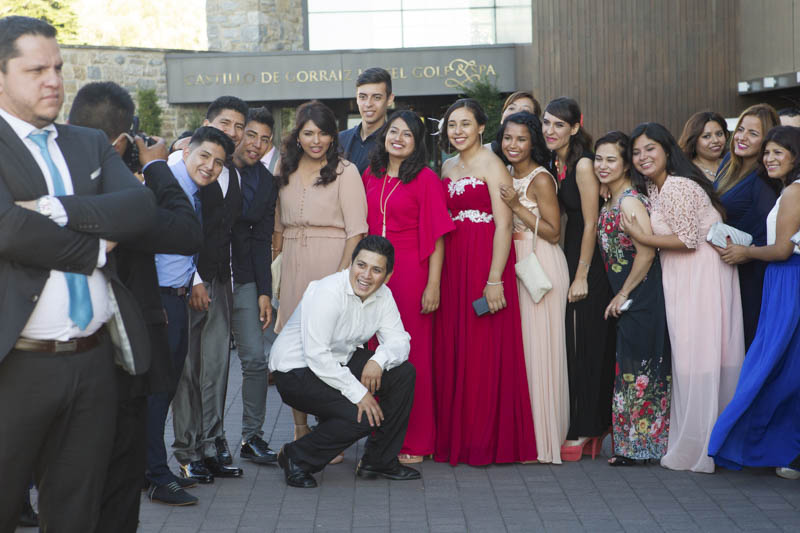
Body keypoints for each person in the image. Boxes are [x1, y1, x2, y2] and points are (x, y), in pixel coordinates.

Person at [0, 16, 157, 532]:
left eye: (59, 68)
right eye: (36, 70)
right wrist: (95, 249)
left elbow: (140, 209)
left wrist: (53, 208)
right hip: (14, 367)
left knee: (77, 515)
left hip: (92, 363)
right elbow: (8, 230)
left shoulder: (87, 143)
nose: (54, 81)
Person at [68, 81, 203, 516]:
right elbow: (187, 232)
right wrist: (158, 166)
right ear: (122, 140)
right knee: (118, 481)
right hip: (122, 350)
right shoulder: (124, 196)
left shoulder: (50, 180)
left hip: (59, 355)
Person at [621, 122, 744, 473]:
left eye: (650, 149)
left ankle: (705, 443)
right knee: (694, 356)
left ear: (667, 150)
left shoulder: (677, 185)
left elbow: (688, 240)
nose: (643, 157)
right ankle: (704, 438)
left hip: (699, 274)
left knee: (700, 355)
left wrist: (640, 236)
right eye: (636, 152)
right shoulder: (656, 186)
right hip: (683, 274)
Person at [433, 98, 537, 465]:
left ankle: (484, 440)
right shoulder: (446, 166)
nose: (457, 131)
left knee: (482, 349)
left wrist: (494, 280)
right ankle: (455, 438)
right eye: (452, 125)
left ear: (480, 127)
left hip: (484, 261)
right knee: (455, 346)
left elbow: (504, 225)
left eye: (465, 124)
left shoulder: (494, 164)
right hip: (452, 262)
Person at [270, 236, 418, 488]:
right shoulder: (327, 291)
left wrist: (378, 360)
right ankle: (296, 457)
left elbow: (400, 341)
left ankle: (378, 461)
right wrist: (359, 393)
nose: (366, 275)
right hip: (295, 371)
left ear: (388, 276)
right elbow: (317, 355)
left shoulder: (384, 296)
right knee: (362, 415)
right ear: (351, 263)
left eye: (376, 270)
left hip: (338, 362)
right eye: (361, 265)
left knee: (403, 373)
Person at [144, 127, 234, 502]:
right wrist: (154, 304)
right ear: (186, 152)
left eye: (219, 162)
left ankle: (150, 468)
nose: (210, 166)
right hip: (159, 300)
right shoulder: (165, 186)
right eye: (204, 156)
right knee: (158, 390)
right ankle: (155, 474)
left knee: (163, 389)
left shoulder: (193, 190)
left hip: (177, 297)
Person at [273, 100, 368, 451]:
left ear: (332, 136)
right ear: (297, 136)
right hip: (293, 262)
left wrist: (340, 280)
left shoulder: (346, 172)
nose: (316, 141)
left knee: (327, 346)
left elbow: (356, 232)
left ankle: (327, 431)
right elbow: (276, 227)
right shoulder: (283, 167)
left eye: (323, 133)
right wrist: (275, 274)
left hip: (330, 264)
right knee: (293, 350)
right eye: (308, 133)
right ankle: (300, 429)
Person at [363, 110, 455, 464]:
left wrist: (433, 284)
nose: (398, 138)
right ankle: (380, 436)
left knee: (412, 357)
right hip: (373, 275)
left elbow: (437, 236)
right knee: (376, 352)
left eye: (407, 134)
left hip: (411, 274)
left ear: (417, 144)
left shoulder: (426, 179)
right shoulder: (370, 174)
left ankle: (416, 440)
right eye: (393, 131)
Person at [709, 125, 800, 479]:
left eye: (779, 152)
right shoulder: (789, 190)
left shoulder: (793, 192)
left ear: (795, 156)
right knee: (783, 363)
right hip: (784, 278)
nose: (769, 158)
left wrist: (746, 252)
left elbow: (782, 250)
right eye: (768, 152)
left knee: (771, 363)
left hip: (788, 278)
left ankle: (746, 443)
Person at [172, 96, 247, 480]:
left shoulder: (233, 172)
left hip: (220, 281)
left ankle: (212, 443)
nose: (232, 132)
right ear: (206, 123)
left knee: (216, 369)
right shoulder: (183, 164)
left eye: (239, 126)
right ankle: (187, 451)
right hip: (187, 283)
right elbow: (178, 229)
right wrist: (195, 280)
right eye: (224, 123)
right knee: (187, 370)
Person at [542, 97, 615, 460]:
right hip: (569, 253)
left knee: (587, 343)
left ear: (574, 127)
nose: (550, 130)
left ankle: (588, 427)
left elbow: (591, 223)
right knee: (575, 345)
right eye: (546, 123)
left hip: (590, 261)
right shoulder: (554, 161)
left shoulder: (584, 164)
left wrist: (582, 275)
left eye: (558, 124)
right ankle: (591, 424)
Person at [594, 131, 671, 466]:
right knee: (630, 367)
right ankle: (631, 446)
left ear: (626, 164)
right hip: (628, 295)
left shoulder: (629, 201)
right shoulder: (612, 198)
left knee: (640, 370)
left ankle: (640, 449)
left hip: (642, 295)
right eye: (599, 159)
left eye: (611, 159)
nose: (602, 165)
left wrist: (624, 293)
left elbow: (647, 253)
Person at [496, 111, 569, 464]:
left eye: (521, 139)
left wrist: (515, 206)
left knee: (540, 350)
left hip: (540, 262)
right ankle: (525, 434)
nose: (513, 145)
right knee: (522, 351)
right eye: (508, 138)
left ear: (533, 142)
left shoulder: (541, 178)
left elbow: (554, 232)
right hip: (514, 261)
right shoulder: (505, 172)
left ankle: (543, 439)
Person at [230, 107, 279, 465]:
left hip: (246, 278)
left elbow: (263, 239)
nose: (256, 144)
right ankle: (208, 440)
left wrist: (265, 291)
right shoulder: (214, 167)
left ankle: (252, 437)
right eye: (251, 135)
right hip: (209, 278)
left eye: (264, 139)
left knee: (256, 360)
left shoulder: (266, 182)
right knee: (208, 367)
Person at [715, 104, 779, 349]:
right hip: (724, 266)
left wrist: (746, 253)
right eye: (740, 129)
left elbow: (770, 234)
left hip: (752, 272)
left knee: (747, 338)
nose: (742, 137)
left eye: (753, 133)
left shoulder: (764, 178)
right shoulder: (728, 164)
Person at [339, 67, 395, 175]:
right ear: (357, 98)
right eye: (363, 97)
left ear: (389, 99)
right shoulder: (340, 140)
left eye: (377, 97)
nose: (368, 104)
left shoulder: (394, 143)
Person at [677, 111, 728, 181]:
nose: (716, 140)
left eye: (719, 134)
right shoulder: (685, 172)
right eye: (706, 136)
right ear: (694, 140)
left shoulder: (733, 165)